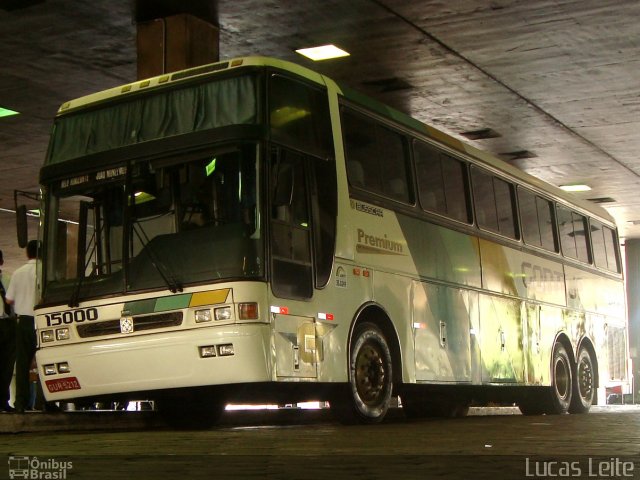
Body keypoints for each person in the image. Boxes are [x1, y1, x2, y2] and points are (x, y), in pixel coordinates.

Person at [5, 240, 38, 413]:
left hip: (23, 321)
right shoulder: (44, 272)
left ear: (27, 253)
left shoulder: (18, 273)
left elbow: (9, 300)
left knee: (23, 363)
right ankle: (46, 402)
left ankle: (20, 403)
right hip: (40, 321)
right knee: (43, 362)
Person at [0, 249, 16, 412]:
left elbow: (14, 302)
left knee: (7, 365)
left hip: (8, 324)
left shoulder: (8, 279)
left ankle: (4, 401)